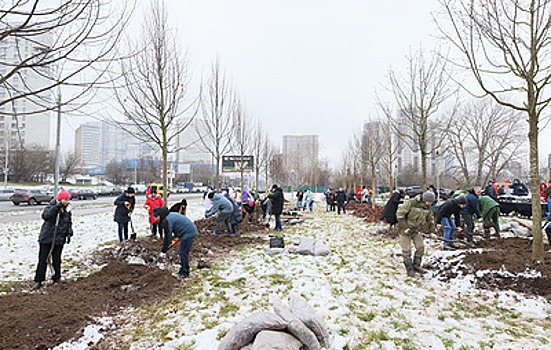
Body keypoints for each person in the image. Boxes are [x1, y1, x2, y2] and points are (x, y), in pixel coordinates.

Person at [32, 188, 74, 289]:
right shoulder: (51, 207)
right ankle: (38, 280)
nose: (68, 202)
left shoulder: (67, 210)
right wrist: (57, 207)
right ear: (61, 199)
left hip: (59, 239)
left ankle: (57, 277)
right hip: (47, 238)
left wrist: (69, 233)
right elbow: (46, 216)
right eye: (66, 200)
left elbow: (68, 222)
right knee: (43, 259)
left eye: (68, 200)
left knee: (57, 259)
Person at [396, 191, 436, 277]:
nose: (430, 204)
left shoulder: (428, 207)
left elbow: (430, 219)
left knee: (420, 247)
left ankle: (416, 265)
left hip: (416, 230)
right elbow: (400, 215)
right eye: (429, 202)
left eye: (431, 203)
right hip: (405, 230)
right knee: (406, 250)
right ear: (424, 199)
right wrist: (404, 228)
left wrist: (432, 231)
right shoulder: (411, 202)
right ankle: (409, 268)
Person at [153, 207, 198, 279]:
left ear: (160, 215)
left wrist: (164, 250)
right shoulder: (168, 216)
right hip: (184, 232)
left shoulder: (166, 220)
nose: (155, 219)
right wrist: (171, 242)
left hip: (188, 233)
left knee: (182, 252)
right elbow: (172, 236)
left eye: (156, 217)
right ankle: (182, 271)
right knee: (182, 252)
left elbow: (168, 236)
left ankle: (185, 273)